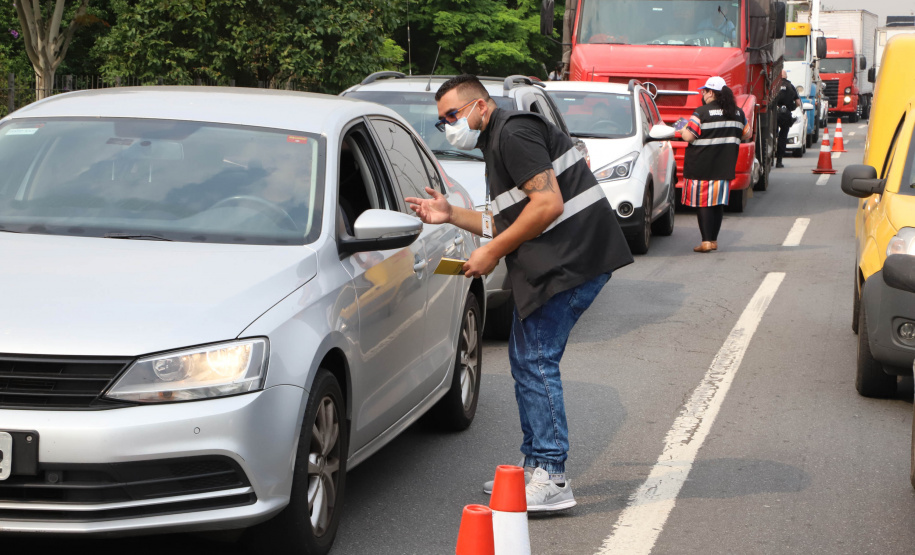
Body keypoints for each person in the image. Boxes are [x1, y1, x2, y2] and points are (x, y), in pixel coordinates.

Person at [405, 74, 632, 512]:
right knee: (526, 358)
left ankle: (552, 474)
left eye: (453, 115)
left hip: (574, 259)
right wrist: (451, 214)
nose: (449, 125)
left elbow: (548, 205)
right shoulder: (497, 143)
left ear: (480, 107)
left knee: (536, 360)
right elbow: (508, 221)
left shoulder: (513, 132)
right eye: (442, 121)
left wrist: (490, 253)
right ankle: (534, 470)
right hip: (559, 262)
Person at [680, 76, 752, 253]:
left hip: (701, 166)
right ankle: (713, 240)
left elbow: (689, 136)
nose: (703, 95)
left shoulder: (701, 113)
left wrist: (682, 129)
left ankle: (705, 241)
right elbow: (746, 134)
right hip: (724, 166)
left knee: (703, 203)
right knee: (717, 203)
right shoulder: (738, 113)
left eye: (704, 91)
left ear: (711, 92)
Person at [775, 69, 802, 168]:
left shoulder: (775, 86)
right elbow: (798, 103)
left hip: (774, 114)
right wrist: (792, 108)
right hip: (786, 114)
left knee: (773, 135)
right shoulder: (791, 87)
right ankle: (779, 161)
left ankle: (771, 152)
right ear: (786, 76)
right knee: (783, 137)